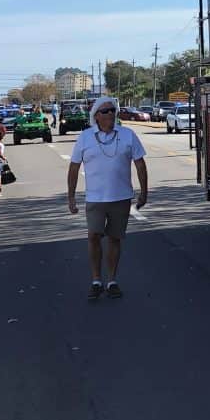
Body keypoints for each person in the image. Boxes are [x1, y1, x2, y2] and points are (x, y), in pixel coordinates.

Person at [67, 96, 149, 300]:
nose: (110, 114)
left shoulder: (128, 135)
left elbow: (140, 164)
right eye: (105, 111)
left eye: (112, 110)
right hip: (95, 198)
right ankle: (96, 280)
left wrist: (144, 192)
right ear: (96, 116)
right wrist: (71, 198)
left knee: (115, 238)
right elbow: (74, 168)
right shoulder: (85, 137)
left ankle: (112, 280)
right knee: (94, 236)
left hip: (121, 198)